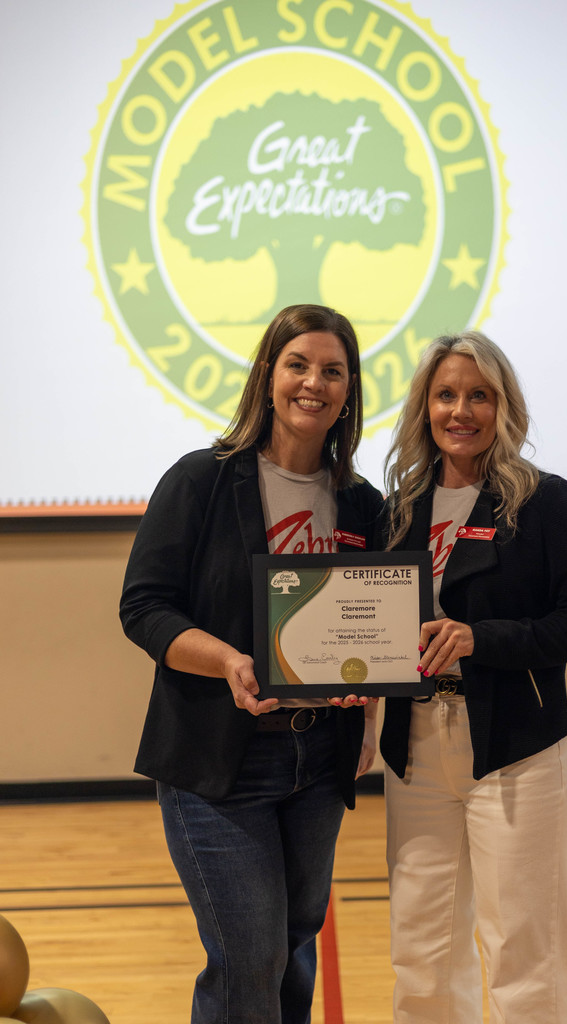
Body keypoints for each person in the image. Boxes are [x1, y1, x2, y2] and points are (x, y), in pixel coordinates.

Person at [120, 304, 383, 1024]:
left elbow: (376, 625)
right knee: (249, 955)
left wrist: (368, 722)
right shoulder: (201, 481)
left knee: (294, 943)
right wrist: (230, 660)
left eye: (333, 371)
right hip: (218, 759)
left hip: (318, 763)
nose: (314, 383)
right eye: (298, 364)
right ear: (268, 374)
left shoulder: (362, 503)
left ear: (349, 390)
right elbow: (144, 609)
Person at [379, 330, 567, 1023]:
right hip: (415, 750)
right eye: (445, 395)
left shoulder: (542, 501)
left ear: (503, 406)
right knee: (421, 951)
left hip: (516, 751)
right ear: (424, 407)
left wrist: (480, 639)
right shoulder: (398, 508)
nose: (461, 410)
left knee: (522, 950)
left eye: (478, 395)